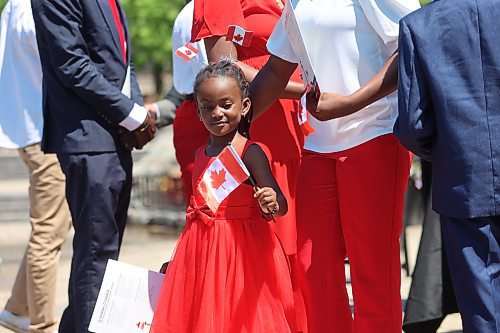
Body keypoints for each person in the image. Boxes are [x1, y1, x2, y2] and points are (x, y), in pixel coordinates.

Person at [249, 0, 420, 332]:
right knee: (314, 273)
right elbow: (275, 71)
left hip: (374, 137)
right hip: (317, 147)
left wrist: (350, 103)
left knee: (373, 276)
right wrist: (234, 127)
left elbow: (413, 47)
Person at [30, 0, 157, 332]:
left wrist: (136, 113)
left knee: (101, 253)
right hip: (87, 138)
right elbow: (71, 63)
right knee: (97, 255)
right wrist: (131, 115)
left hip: (111, 136)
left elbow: (121, 63)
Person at [150, 59, 298, 332]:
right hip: (202, 253)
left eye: (225, 105)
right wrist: (179, 262)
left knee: (241, 319)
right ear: (198, 112)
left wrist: (270, 200)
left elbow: (281, 205)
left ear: (244, 106)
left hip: (243, 255)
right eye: (207, 107)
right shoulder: (199, 155)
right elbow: (199, 211)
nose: (217, 113)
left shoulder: (250, 152)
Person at [395, 0, 500, 331]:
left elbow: (413, 124)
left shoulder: (419, 25)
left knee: (482, 306)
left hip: (463, 177)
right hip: (463, 177)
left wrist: (445, 151)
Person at [191, 0, 305, 263]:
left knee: (305, 246)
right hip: (260, 126)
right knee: (268, 249)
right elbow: (224, 66)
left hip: (303, 124)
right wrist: (304, 89)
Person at [0, 1, 72, 332]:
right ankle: (42, 325)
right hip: (45, 130)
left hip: (29, 126)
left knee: (50, 225)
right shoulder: (39, 8)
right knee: (49, 231)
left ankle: (17, 308)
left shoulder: (15, 6)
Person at [146, 0, 209, 202]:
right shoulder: (200, 13)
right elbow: (210, 75)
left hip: (201, 112)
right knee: (210, 210)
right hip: (206, 117)